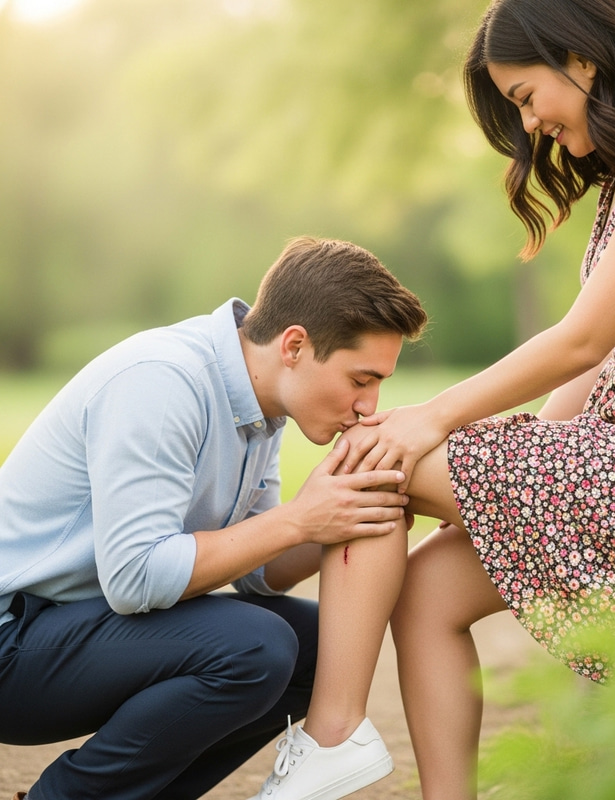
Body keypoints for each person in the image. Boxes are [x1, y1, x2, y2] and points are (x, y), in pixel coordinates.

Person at [245, 1, 615, 799]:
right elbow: (594, 368)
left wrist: (442, 424)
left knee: (396, 443)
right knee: (426, 590)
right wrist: (509, 467)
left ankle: (325, 710)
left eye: (528, 96)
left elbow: (582, 342)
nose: (529, 124)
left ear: (583, 59)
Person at [0, 235, 427, 800]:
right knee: (255, 647)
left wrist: (345, 514)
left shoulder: (260, 406)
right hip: (13, 644)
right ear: (294, 345)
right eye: (360, 379)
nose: (369, 406)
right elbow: (135, 578)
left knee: (324, 648)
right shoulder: (162, 381)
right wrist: (300, 520)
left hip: (72, 631)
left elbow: (256, 571)